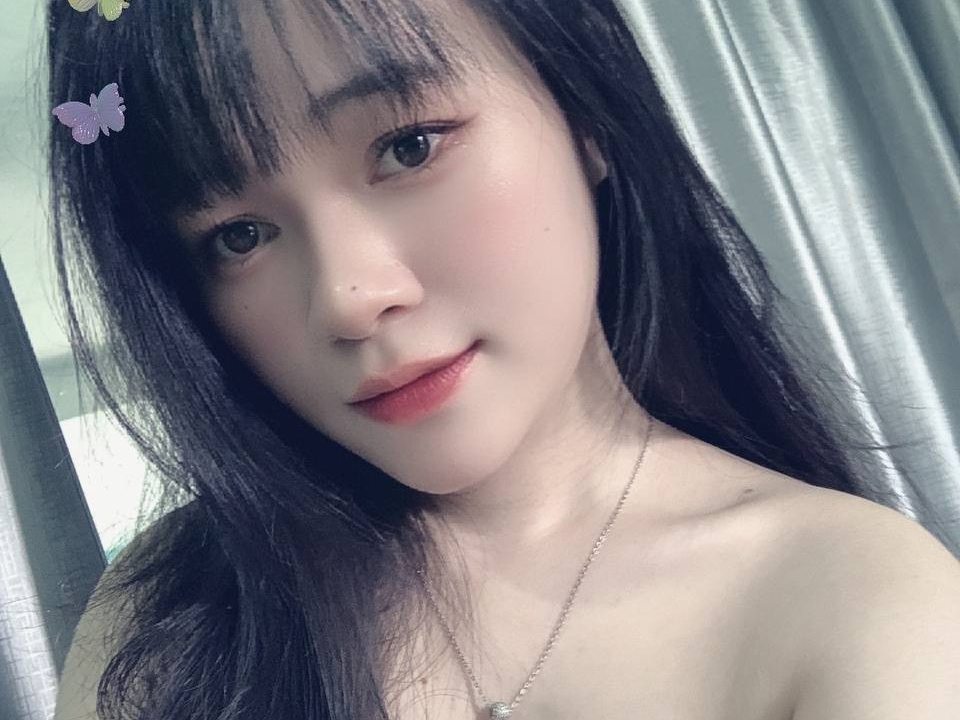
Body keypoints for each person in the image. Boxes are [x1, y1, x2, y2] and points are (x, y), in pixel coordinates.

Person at [48, 1, 960, 719]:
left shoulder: (853, 599)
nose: (349, 298)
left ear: (583, 106)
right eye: (239, 236)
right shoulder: (174, 609)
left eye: (408, 148)